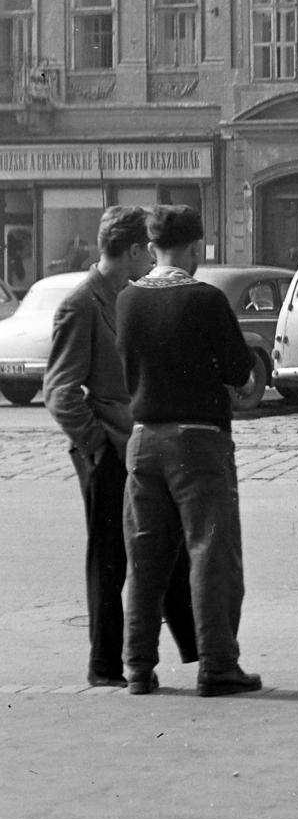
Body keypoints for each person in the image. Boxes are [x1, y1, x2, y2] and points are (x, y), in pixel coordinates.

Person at [43, 205, 197, 688]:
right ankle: (105, 665)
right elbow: (60, 391)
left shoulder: (125, 297)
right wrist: (96, 446)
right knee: (111, 558)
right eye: (144, 253)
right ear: (132, 251)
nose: (150, 261)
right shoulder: (81, 303)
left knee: (165, 543)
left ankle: (201, 650)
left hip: (138, 445)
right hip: (107, 450)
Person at [118, 205, 259, 696]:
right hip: (198, 440)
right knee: (209, 552)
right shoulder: (205, 298)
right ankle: (218, 663)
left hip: (142, 440)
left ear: (153, 246)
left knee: (146, 558)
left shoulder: (126, 300)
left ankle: (137, 665)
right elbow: (239, 369)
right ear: (195, 246)